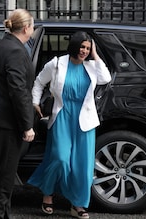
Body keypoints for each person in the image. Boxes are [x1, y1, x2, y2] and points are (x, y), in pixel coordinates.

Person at [27, 31, 111, 219]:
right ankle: (48, 193)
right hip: (62, 117)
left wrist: (96, 55)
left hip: (85, 121)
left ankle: (78, 204)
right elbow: (39, 82)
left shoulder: (91, 66)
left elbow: (106, 79)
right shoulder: (57, 63)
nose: (84, 51)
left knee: (83, 166)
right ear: (74, 45)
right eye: (82, 47)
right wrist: (35, 102)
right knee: (60, 159)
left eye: (88, 48)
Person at [0, 9, 36, 219]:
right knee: (2, 184)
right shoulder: (15, 50)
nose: (33, 29)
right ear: (26, 28)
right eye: (32, 25)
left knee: (1, 180)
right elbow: (17, 90)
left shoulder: (2, 45)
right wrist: (27, 125)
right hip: (6, 124)